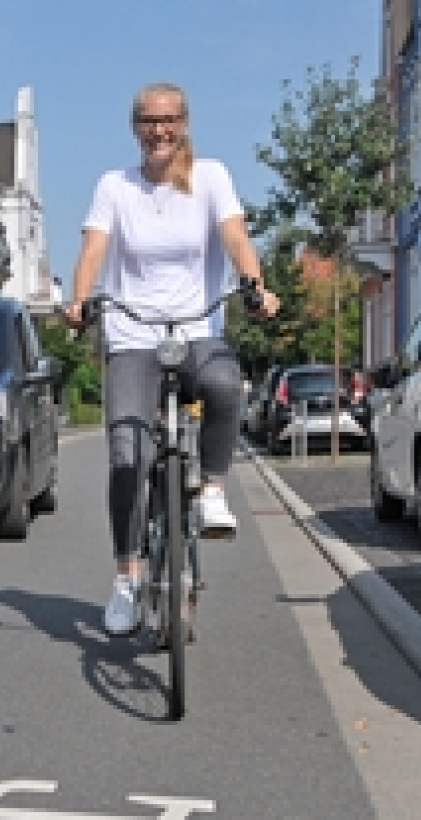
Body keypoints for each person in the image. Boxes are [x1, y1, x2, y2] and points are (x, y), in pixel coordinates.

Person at [65, 82, 280, 637]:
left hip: (198, 327)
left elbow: (234, 237)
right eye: (147, 120)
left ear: (184, 122)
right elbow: (93, 248)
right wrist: (80, 298)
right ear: (134, 126)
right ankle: (126, 577)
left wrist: (255, 286)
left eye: (169, 119)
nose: (159, 130)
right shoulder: (115, 186)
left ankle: (211, 491)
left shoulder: (211, 177)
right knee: (126, 455)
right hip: (132, 333)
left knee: (226, 387)